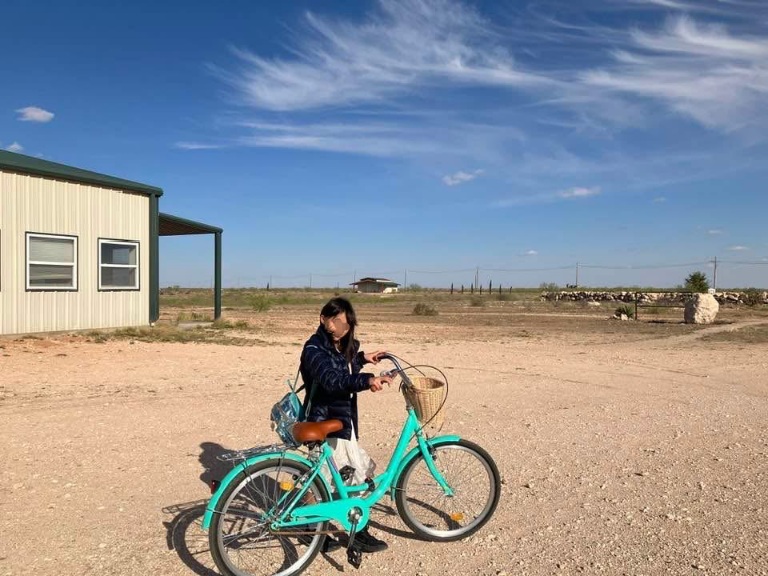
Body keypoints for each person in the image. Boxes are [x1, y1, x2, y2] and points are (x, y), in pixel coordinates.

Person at [300, 296, 392, 554]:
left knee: (331, 476)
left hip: (340, 419)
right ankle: (343, 530)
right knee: (343, 474)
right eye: (337, 321)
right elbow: (331, 378)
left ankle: (317, 528)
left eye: (347, 323)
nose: (342, 327)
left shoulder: (336, 345)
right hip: (325, 420)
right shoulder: (313, 349)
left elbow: (343, 363)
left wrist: (363, 358)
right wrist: (366, 380)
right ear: (324, 319)